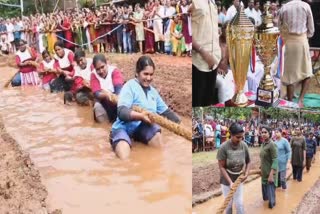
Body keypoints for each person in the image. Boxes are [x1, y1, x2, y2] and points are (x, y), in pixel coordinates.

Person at [110, 55, 181, 159]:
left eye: (151, 75)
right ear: (137, 73)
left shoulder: (153, 92)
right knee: (124, 153)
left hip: (141, 128)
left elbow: (166, 112)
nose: (148, 78)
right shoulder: (129, 87)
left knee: (158, 140)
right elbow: (121, 112)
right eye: (145, 74)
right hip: (123, 128)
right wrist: (140, 116)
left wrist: (181, 126)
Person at [278, 0, 315, 107]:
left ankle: (290, 101)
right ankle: (300, 100)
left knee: (289, 76)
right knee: (307, 72)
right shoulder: (305, 6)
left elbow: (279, 27)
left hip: (287, 43)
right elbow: (311, 30)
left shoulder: (284, 7)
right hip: (301, 42)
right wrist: (305, 36)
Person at [191, 0, 221, 107]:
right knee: (197, 103)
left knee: (208, 102)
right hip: (199, 61)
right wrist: (204, 53)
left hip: (214, 60)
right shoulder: (193, 2)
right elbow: (187, 33)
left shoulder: (213, 4)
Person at [217, 123, 250, 214]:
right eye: (238, 137)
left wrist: (246, 173)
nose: (240, 139)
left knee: (239, 204)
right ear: (231, 135)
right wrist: (230, 182)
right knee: (228, 205)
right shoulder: (223, 147)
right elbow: (221, 167)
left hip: (238, 179)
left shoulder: (244, 146)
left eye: (242, 137)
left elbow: (248, 161)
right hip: (226, 181)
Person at [90, 54, 124, 123]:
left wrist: (114, 97)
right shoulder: (93, 74)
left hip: (116, 100)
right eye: (98, 69)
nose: (101, 71)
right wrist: (106, 95)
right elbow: (96, 93)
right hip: (103, 102)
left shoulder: (114, 71)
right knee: (97, 107)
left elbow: (118, 88)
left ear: (107, 64)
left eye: (102, 67)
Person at [260, 125, 278, 209]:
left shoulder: (272, 145)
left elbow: (275, 160)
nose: (263, 134)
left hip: (270, 174)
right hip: (264, 173)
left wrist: (271, 175)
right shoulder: (263, 144)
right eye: (262, 132)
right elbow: (263, 158)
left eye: (265, 132)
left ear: (269, 133)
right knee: (265, 198)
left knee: (271, 203)